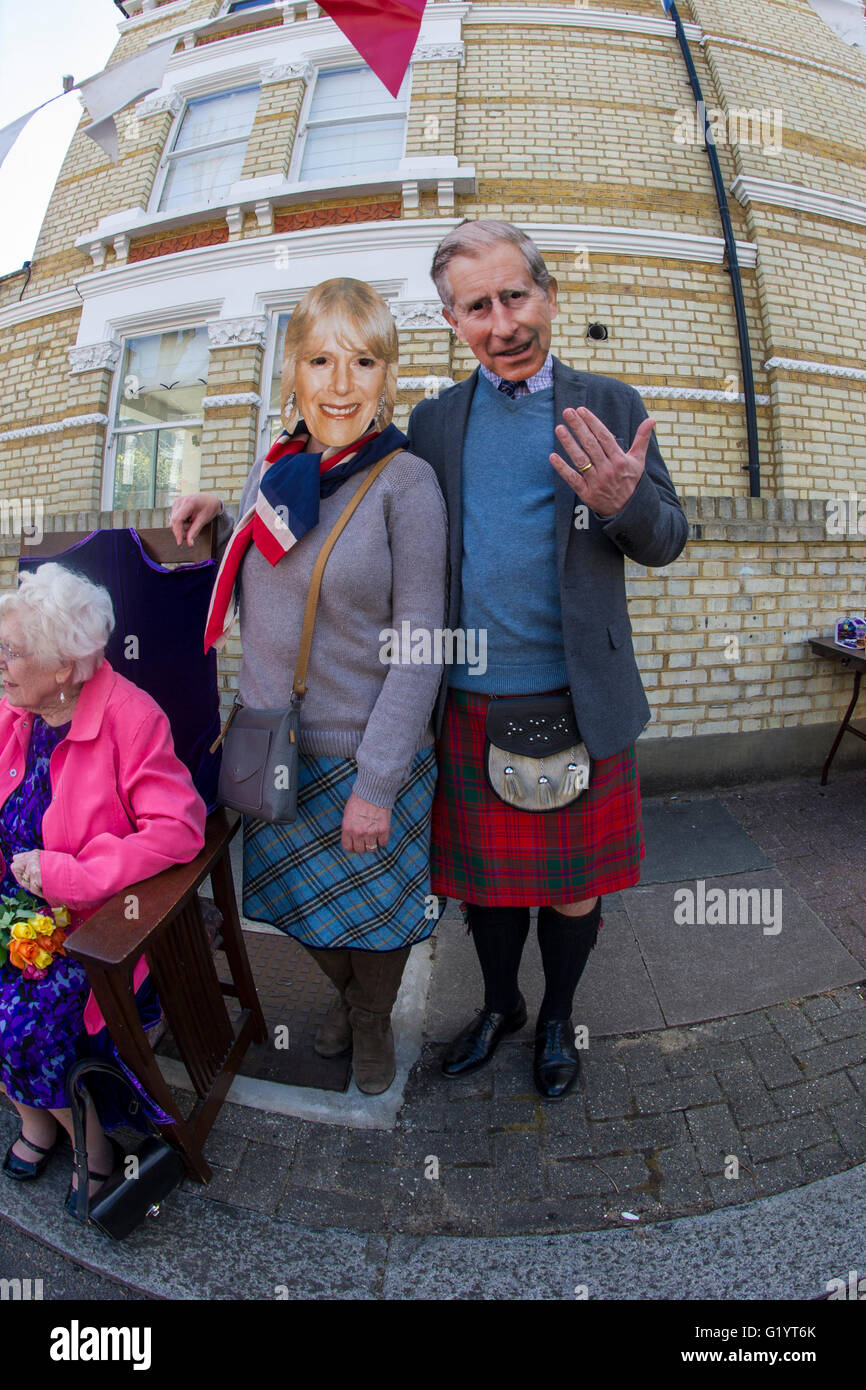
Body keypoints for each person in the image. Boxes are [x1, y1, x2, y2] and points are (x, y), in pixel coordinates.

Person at [407, 220, 689, 1098]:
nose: (504, 324)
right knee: (487, 892)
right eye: (478, 306)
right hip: (468, 700)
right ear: (454, 321)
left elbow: (669, 539)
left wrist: (624, 501)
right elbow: (354, 493)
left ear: (548, 295)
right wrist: (235, 507)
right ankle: (501, 1007)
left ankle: (559, 1014)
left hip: (581, 697)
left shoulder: (611, 404)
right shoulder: (433, 421)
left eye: (516, 296)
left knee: (572, 891)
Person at [171, 277, 447, 1095]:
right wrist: (219, 514)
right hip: (276, 747)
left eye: (362, 361)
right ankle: (352, 1001)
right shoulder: (277, 478)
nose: (339, 383)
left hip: (369, 751)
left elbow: (422, 642)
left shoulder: (408, 484)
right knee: (296, 908)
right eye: (320, 359)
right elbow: (269, 570)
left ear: (388, 377)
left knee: (381, 917)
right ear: (291, 371)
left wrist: (377, 782)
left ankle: (369, 1022)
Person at [0, 564, 206, 1211]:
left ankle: (92, 1145)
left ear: (64, 666)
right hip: (14, 906)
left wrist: (71, 874)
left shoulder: (129, 717)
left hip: (93, 924)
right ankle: (38, 1119)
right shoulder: (15, 709)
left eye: (11, 651)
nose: (0, 662)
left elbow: (179, 830)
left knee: (24, 1021)